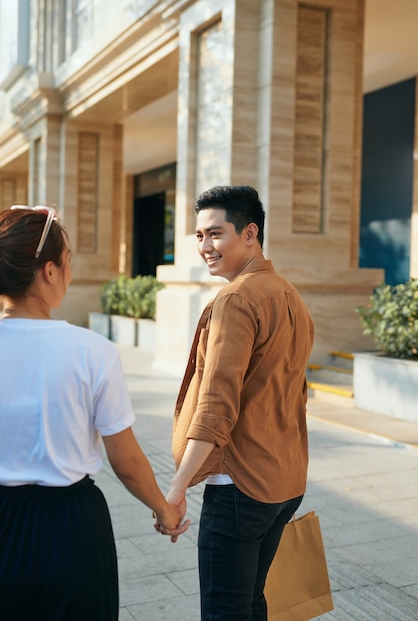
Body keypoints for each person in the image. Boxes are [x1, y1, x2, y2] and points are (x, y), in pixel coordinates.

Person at [0, 205, 188, 621]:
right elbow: (126, 461)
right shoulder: (91, 351)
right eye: (67, 263)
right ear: (49, 271)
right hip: (71, 528)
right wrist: (164, 509)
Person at [158, 185, 314, 620]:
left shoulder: (237, 298)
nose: (205, 246)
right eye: (199, 236)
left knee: (227, 610)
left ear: (250, 233)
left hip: (240, 486)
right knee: (251, 603)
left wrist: (177, 486)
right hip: (284, 481)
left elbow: (216, 404)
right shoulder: (288, 294)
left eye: (216, 234)